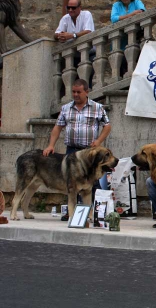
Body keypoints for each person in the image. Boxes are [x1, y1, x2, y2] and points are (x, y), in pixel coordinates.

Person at [43, 79, 111, 220]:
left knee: (92, 182)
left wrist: (98, 141)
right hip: (72, 151)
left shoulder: (97, 107)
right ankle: (72, 212)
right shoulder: (66, 108)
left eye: (78, 92)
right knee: (70, 183)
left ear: (86, 92)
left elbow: (107, 126)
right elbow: (58, 127)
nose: (75, 94)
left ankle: (95, 213)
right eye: (73, 92)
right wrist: (51, 145)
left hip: (89, 152)